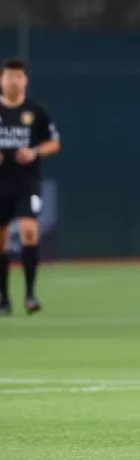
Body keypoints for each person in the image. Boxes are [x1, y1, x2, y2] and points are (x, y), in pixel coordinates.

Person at [0, 58, 61, 315]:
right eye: (9, 76)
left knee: (28, 231)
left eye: (18, 76)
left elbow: (54, 142)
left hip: (27, 183)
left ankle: (30, 294)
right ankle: (4, 298)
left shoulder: (35, 112)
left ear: (25, 81)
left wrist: (34, 152)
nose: (13, 81)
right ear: (1, 80)